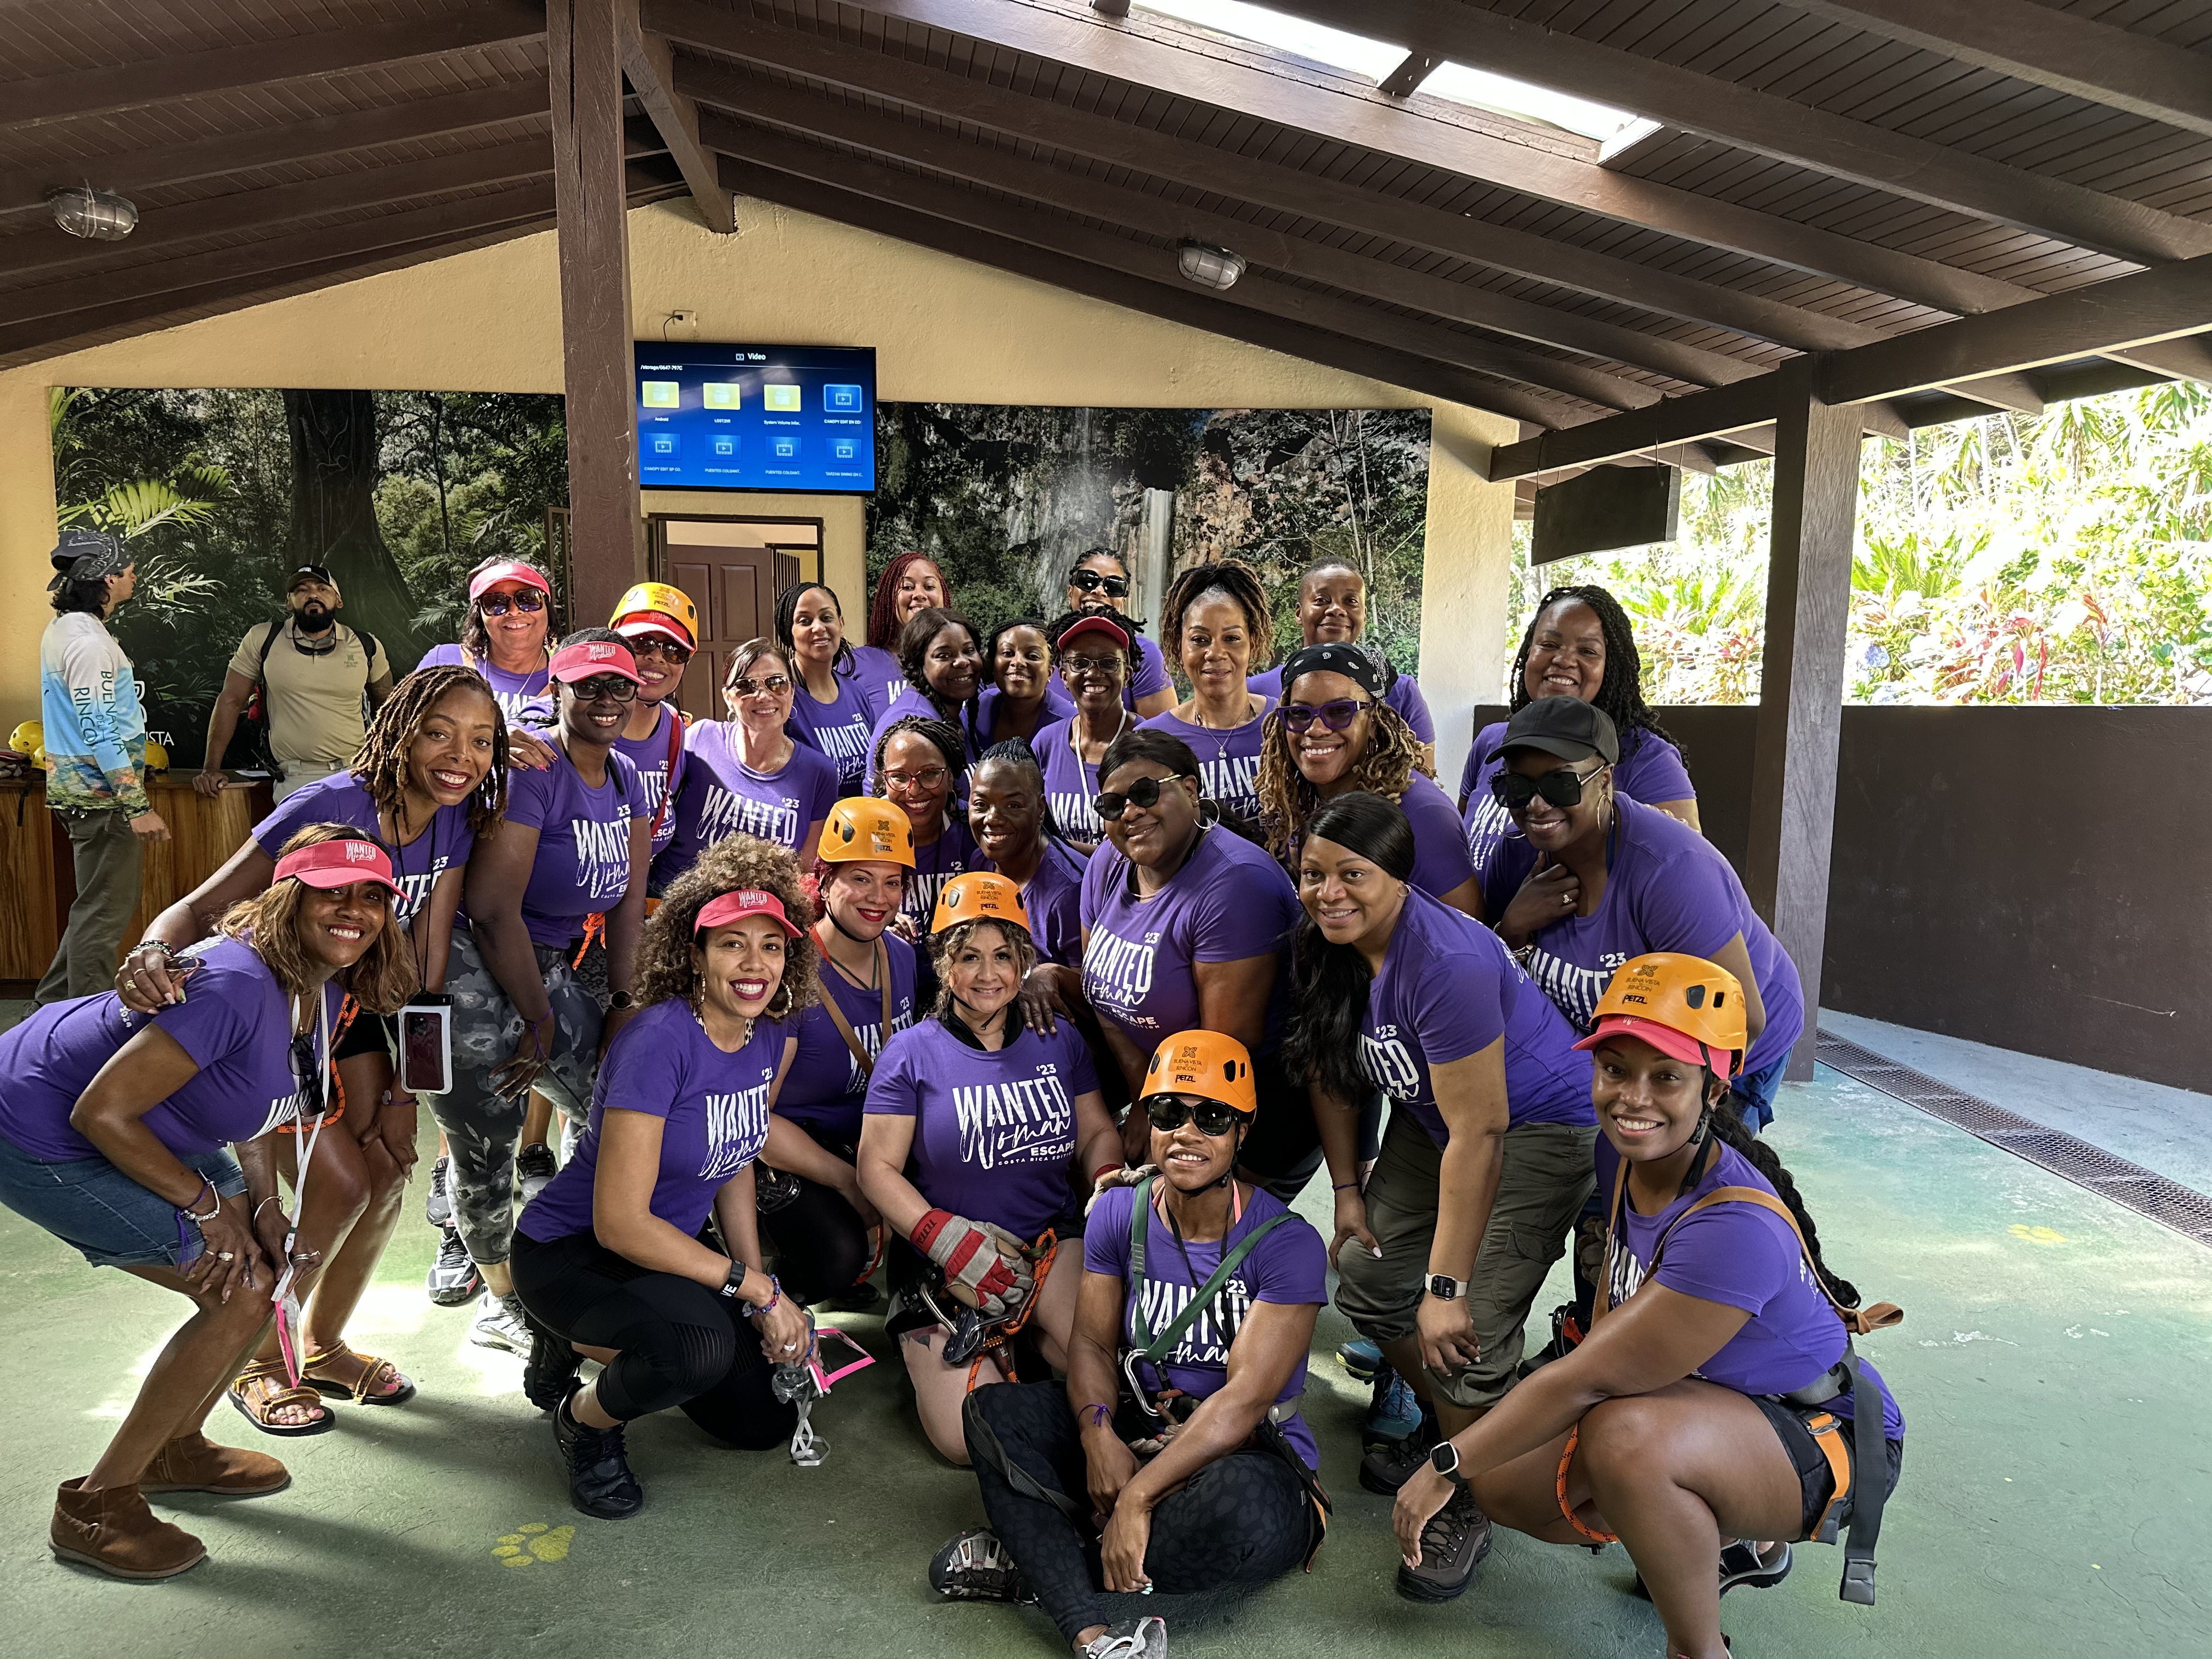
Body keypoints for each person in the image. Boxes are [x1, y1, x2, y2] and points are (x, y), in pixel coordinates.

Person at [1391, 954, 1904, 1659]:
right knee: (1506, 1485)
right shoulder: (1625, 1153)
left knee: (1622, 1439)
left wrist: (1441, 1466)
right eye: (1614, 1069)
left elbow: (1590, 1379)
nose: (1633, 1098)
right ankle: (1713, 1530)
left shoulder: (1732, 1227)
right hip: (1711, 1402)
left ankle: (1697, 1645)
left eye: (1666, 1076)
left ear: (1715, 1088)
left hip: (1817, 1433)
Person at [0, 827, 414, 1579]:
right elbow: (102, 1114)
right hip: (37, 1129)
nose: (352, 911)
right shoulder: (234, 984)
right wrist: (202, 1204)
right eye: (331, 892)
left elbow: (254, 1106)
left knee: (262, 1269)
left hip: (139, 1119)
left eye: (370, 897)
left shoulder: (315, 982)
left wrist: (259, 1203)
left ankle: (174, 1450)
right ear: (289, 898)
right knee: (241, 1290)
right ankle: (96, 1506)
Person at [116, 665, 507, 1425]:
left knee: (389, 1171)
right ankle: (258, 1358)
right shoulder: (330, 803)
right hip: (285, 1006)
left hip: (361, 1015)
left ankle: (322, 1347)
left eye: (481, 741)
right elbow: (203, 905)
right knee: (338, 1185)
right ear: (400, 733)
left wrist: (403, 1092)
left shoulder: (456, 816)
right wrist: (151, 952)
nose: (461, 755)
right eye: (439, 733)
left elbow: (424, 964)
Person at [1285, 792, 1597, 1601]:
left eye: (1353, 875)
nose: (1330, 893)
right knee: (1368, 1280)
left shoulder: (1446, 961)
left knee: (1464, 1333)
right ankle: (1482, 1428)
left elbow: (1482, 1135)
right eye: (1313, 876)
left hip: (1536, 1128)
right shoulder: (1330, 943)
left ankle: (1468, 1488)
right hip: (1438, 1124)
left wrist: (1449, 1289)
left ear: (1399, 877)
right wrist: (1347, 1191)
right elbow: (1329, 1067)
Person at [935, 1031, 1327, 1659]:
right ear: (1148, 1120)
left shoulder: (1288, 1244)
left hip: (1243, 1458)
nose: (1188, 1134)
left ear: (1243, 1132)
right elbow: (1089, 1342)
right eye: (1169, 1113)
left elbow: (1244, 1402)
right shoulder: (1120, 1213)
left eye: (1214, 1117)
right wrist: (1096, 1436)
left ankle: (1044, 1560)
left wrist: (1137, 1498)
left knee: (1240, 1512)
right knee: (991, 1410)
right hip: (1139, 1427)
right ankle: (1092, 1633)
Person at [512, 839, 819, 1517]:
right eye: (732, 944)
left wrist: (749, 1282)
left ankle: (580, 1340)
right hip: (572, 1250)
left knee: (759, 1422)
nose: (754, 964)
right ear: (694, 953)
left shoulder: (763, 1032)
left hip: (657, 1252)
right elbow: (618, 1222)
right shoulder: (657, 1040)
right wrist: (758, 1289)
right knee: (693, 1352)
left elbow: (733, 1158)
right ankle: (584, 1422)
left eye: (771, 945)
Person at [436, 633, 652, 1352]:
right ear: (554, 690)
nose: (605, 700)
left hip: (546, 964)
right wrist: (533, 1019)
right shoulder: (534, 767)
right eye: (587, 686)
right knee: (485, 1138)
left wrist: (624, 1006)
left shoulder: (626, 781)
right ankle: (501, 1301)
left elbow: (628, 904)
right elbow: (494, 909)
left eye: (619, 686)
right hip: (468, 968)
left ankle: (573, 1248)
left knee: (614, 1103)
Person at [858, 874, 1120, 1464]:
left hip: (1049, 1239)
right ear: (943, 963)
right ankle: (990, 1355)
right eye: (968, 956)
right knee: (966, 1440)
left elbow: (1098, 1130)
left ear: (1025, 961)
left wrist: (1106, 1182)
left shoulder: (1058, 1040)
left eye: (1004, 956)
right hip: (941, 1260)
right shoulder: (911, 1052)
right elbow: (875, 1168)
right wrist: (943, 1238)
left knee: (1109, 1360)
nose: (987, 974)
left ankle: (1026, 1348)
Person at [1488, 697, 1802, 1132]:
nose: (1536, 806)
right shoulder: (1515, 855)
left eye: (1561, 785)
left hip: (1728, 1040)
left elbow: (1742, 1018)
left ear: (1605, 781)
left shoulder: (1669, 870)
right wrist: (1513, 927)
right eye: (1517, 788)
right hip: (1627, 1056)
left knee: (1680, 1178)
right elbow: (1488, 977)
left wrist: (1652, 1110)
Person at [1052, 731, 1311, 1189]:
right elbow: (1107, 999)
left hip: (1246, 1107)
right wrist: (1140, 1101)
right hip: (1161, 1089)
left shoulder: (1236, 885)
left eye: (1145, 792)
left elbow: (1222, 1049)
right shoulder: (1111, 864)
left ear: (1189, 790)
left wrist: (1157, 1120)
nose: (1130, 812)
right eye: (1112, 805)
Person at [755, 799, 918, 1308]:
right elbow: (754, 1120)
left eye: (892, 882)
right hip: (792, 1153)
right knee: (836, 1256)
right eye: (861, 879)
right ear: (824, 883)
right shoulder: (791, 973)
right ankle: (760, 1298)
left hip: (873, 1144)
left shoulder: (904, 956)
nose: (879, 897)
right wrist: (850, 1183)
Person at [1460, 584, 1699, 900]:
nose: (1563, 660)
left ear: (1609, 667)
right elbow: (1458, 842)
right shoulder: (1492, 741)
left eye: (1587, 651)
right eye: (1548, 644)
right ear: (1528, 654)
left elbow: (1683, 875)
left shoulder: (1647, 758)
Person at [36, 528, 168, 1005]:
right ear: (107, 579)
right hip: (102, 800)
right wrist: (136, 807)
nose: (134, 576)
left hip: (85, 794)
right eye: (129, 570)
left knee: (92, 909)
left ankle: (47, 1011)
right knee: (105, 915)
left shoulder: (66, 631)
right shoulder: (89, 643)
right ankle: (85, 1032)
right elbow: (99, 729)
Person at [1254, 642, 1477, 916]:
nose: (1316, 729)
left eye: (1339, 712)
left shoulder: (1421, 815)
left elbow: (1467, 935)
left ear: (1372, 722)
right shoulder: (1301, 802)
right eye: (1300, 713)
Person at [196, 564, 394, 802]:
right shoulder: (263, 639)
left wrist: (389, 768)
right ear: (289, 603)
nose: (313, 595)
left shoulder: (366, 645)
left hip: (355, 775)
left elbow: (388, 708)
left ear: (338, 600)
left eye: (323, 588)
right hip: (294, 780)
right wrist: (210, 769)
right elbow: (231, 699)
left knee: (353, 841)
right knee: (301, 841)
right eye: (301, 590)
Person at [658, 637, 838, 879]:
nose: (763, 696)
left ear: (792, 692)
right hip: (675, 902)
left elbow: (804, 875)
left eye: (776, 684)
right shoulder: (700, 738)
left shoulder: (819, 772)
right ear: (728, 697)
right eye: (746, 686)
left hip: (760, 910)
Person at [1249, 557, 1435, 770]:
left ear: (1364, 615)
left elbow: (1423, 773)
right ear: (1299, 612)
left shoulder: (1401, 692)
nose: (1336, 609)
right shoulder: (1256, 690)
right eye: (1321, 600)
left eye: (1351, 601)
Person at [1138, 560, 1276, 827]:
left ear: (1253, 642)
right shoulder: (1154, 742)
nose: (1215, 653)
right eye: (1200, 639)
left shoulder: (1285, 723)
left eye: (1232, 638)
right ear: (1179, 645)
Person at [970, 739, 1088, 970]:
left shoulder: (1071, 890)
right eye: (981, 804)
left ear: (1040, 809)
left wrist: (1055, 975)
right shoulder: (980, 862)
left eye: (1013, 805)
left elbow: (1091, 994)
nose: (993, 818)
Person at [607, 582, 697, 869]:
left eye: (674, 650)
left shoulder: (677, 731)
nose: (656, 657)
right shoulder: (570, 719)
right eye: (642, 643)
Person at [415, 557, 563, 723]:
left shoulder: (568, 675)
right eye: (496, 603)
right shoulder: (444, 662)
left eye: (528, 599)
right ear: (479, 616)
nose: (514, 612)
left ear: (547, 608)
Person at [1031, 611, 1136, 847]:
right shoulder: (1046, 743)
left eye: (1109, 663)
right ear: (1064, 677)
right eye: (1080, 663)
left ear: (1126, 675)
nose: (1093, 673)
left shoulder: (1148, 741)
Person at [871, 715, 979, 935]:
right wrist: (872, 923)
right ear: (885, 781)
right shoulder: (863, 829)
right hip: (889, 964)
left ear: (951, 779)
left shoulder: (974, 829)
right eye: (900, 776)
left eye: (929, 774)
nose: (914, 790)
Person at [778, 580, 883, 796]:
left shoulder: (857, 693)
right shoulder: (779, 696)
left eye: (827, 618)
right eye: (805, 621)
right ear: (789, 632)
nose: (819, 628)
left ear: (841, 624)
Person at [865, 607, 986, 789]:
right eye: (944, 655)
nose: (962, 661)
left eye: (969, 651)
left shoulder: (956, 713)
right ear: (918, 664)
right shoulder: (913, 726)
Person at [1064, 548, 1175, 718]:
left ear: (1123, 601)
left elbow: (1164, 737)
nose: (1099, 591)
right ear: (1070, 591)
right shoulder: (1045, 653)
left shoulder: (1144, 655)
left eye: (1114, 586)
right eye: (1088, 581)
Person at [861, 551, 952, 706]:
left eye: (929, 587)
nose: (919, 595)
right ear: (889, 597)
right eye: (908, 587)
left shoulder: (965, 663)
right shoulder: (859, 663)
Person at [977, 616, 1073, 748]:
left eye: (1033, 656)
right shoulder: (983, 706)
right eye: (1007, 653)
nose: (1017, 662)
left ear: (1049, 673)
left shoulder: (1068, 724)